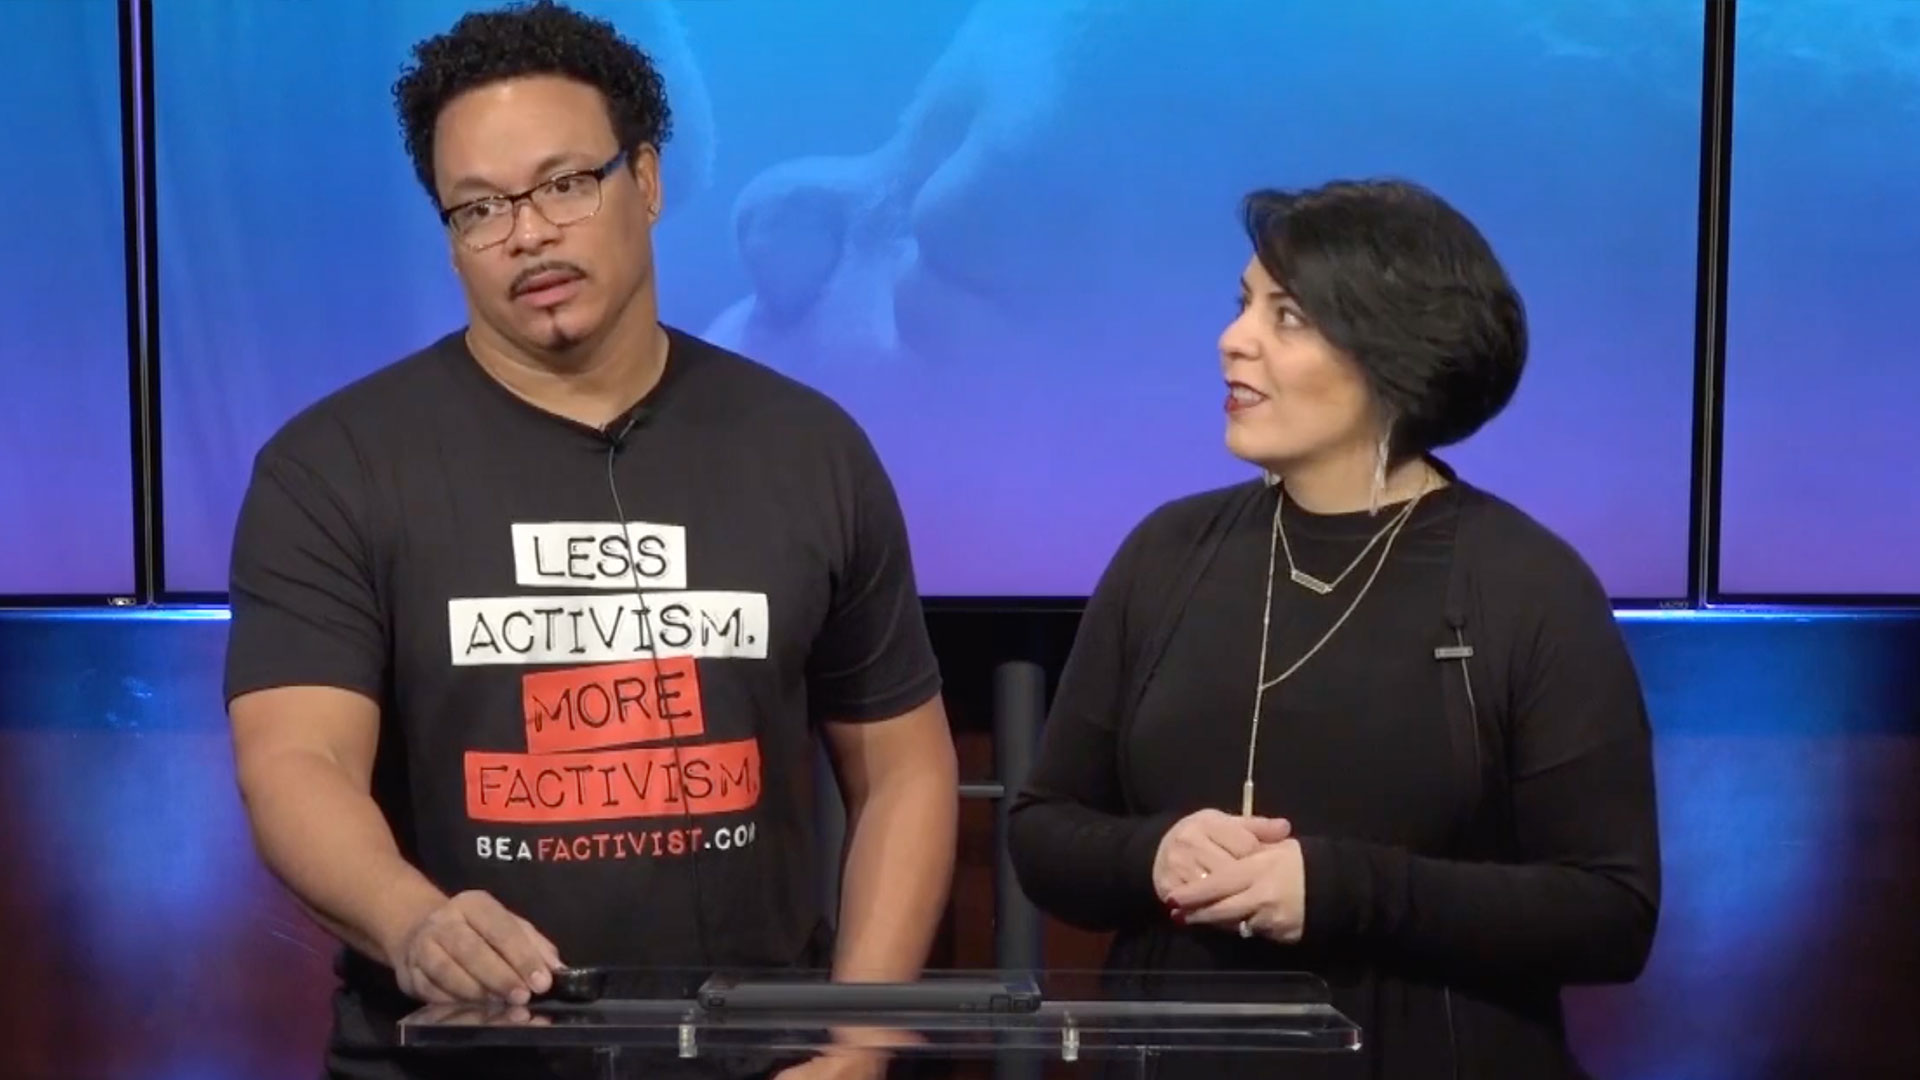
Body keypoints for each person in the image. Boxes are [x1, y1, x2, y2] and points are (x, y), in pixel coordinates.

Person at [222, 3, 958, 1078]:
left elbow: (904, 769)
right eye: (480, 208)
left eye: (565, 184)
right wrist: (411, 920)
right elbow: (297, 761)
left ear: (646, 180)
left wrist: (862, 1042)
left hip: (758, 1056)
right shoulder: (333, 467)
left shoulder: (808, 448)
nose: (527, 234)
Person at [1005, 179, 1660, 1079]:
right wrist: (1152, 853)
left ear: (1395, 352)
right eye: (1243, 305)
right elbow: (1044, 831)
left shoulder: (1527, 585)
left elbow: (1611, 913)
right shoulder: (1168, 553)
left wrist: (1343, 890)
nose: (1233, 339)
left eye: (1287, 317)